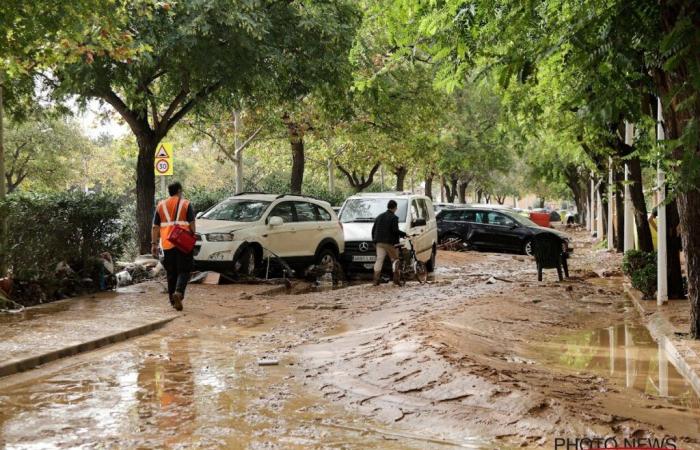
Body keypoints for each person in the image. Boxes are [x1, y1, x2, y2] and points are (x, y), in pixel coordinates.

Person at [151, 181, 196, 311]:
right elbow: (192, 223)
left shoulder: (161, 205)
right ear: (179, 191)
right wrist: (193, 235)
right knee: (184, 270)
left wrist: (154, 244)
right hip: (183, 241)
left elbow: (155, 227)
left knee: (171, 272)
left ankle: (172, 300)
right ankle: (179, 292)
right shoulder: (185, 203)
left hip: (167, 243)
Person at [371, 199, 406, 286]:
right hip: (390, 243)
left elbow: (373, 230)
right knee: (395, 260)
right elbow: (395, 230)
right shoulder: (394, 218)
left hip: (379, 242)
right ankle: (396, 279)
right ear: (395, 208)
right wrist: (404, 234)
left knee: (379, 260)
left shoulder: (379, 216)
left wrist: (375, 241)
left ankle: (376, 280)